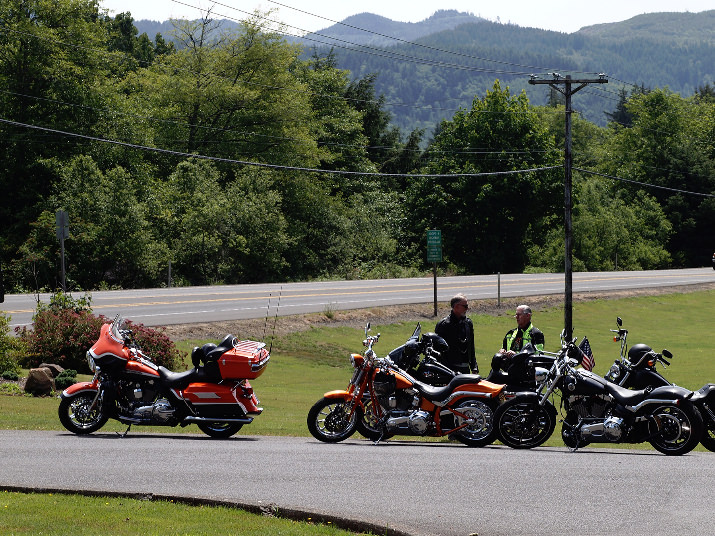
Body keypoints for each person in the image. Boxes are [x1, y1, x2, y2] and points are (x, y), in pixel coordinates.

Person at [491, 305, 544, 372]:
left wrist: (516, 355)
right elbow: (503, 348)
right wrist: (502, 351)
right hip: (509, 368)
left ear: (528, 316)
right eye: (516, 315)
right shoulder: (510, 333)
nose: (517, 317)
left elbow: (539, 356)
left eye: (519, 315)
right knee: (497, 358)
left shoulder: (536, 334)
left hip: (525, 371)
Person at [434, 293, 478, 374]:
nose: (467, 309)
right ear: (456, 306)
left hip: (465, 368)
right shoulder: (444, 325)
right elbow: (438, 350)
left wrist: (474, 366)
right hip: (449, 369)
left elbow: (471, 346)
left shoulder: (468, 323)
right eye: (465, 306)